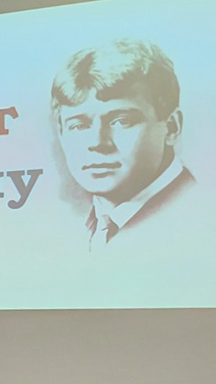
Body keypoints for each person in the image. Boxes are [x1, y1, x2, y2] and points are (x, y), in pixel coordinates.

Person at [51, 38, 194, 245]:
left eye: (121, 121)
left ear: (171, 127)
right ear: (62, 132)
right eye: (79, 126)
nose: (97, 142)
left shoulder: (196, 215)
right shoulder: (85, 230)